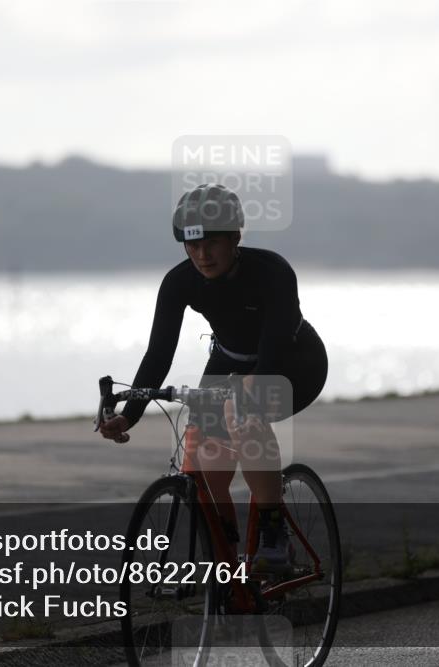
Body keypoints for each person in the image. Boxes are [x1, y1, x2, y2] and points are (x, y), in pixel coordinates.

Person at [98, 183, 328, 572]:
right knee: (202, 453)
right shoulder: (179, 282)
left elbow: (271, 349)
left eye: (212, 244)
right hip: (230, 359)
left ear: (235, 237)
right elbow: (158, 354)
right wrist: (130, 413)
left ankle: (274, 536)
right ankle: (228, 561)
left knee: (244, 409)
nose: (202, 255)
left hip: (295, 362)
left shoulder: (273, 272)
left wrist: (255, 383)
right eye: (192, 246)